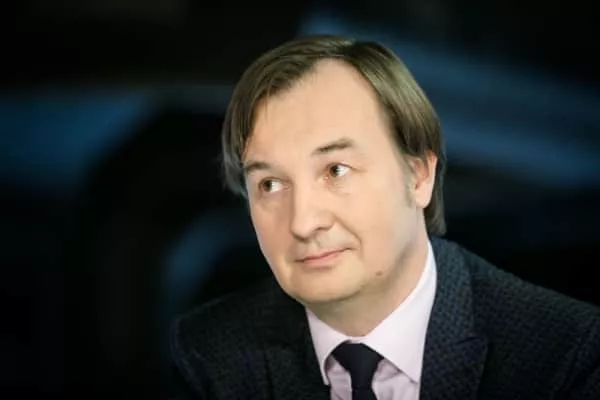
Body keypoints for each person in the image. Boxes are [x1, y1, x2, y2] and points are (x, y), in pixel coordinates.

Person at [169, 35, 600, 400]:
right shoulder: (208, 355)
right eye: (270, 184)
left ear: (419, 176)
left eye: (336, 170)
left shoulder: (566, 355)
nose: (302, 222)